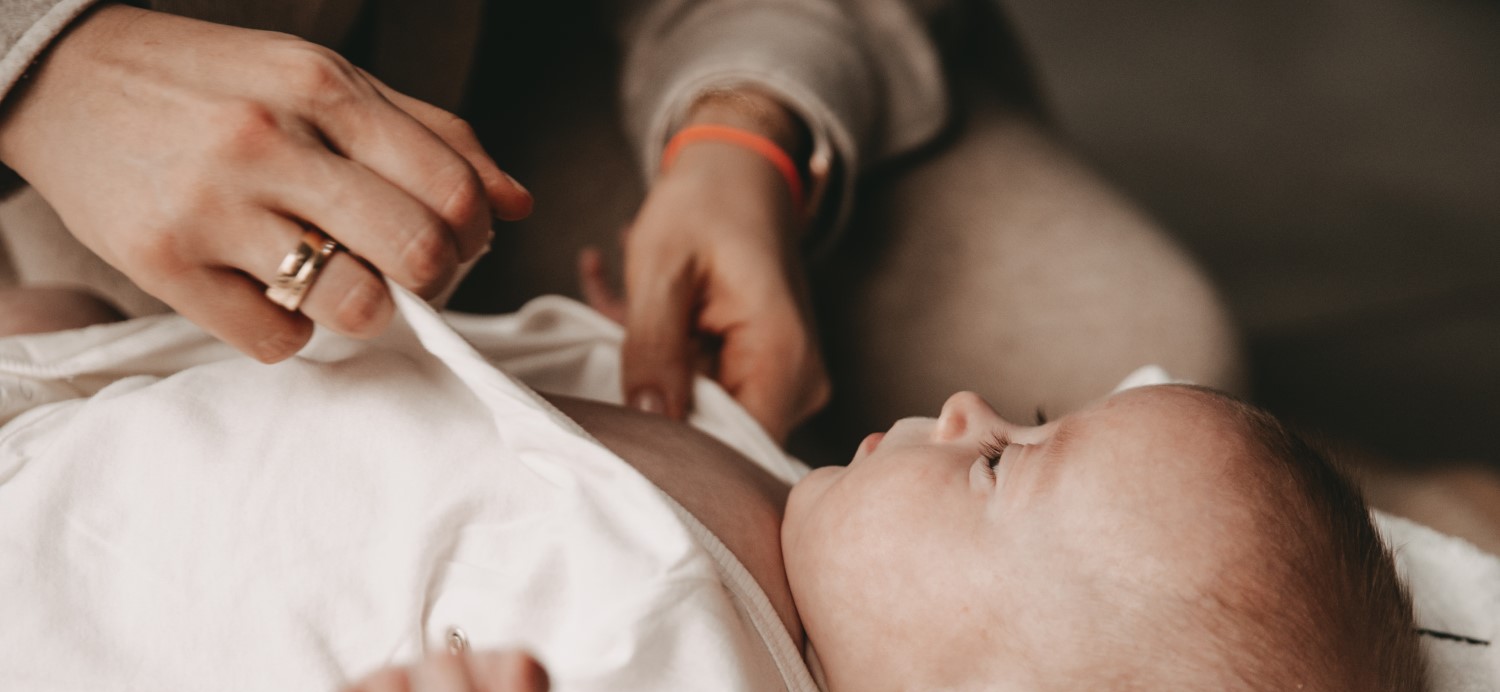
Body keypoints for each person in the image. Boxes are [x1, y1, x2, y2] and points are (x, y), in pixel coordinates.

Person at [0, 286, 1423, 692]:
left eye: (1004, 461)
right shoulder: (799, 539)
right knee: (50, 291)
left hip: (60, 565)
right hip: (123, 392)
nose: (969, 408)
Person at [0, 0, 1242, 451]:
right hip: (58, 159)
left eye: (995, 469)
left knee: (1146, 371)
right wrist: (45, 67)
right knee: (64, 358)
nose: (968, 417)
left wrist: (743, 137)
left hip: (537, 48)